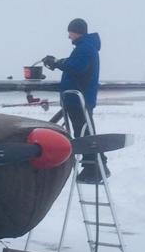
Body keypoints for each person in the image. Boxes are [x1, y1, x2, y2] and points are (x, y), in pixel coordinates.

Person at [43, 18, 105, 183]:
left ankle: (93, 170)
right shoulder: (86, 47)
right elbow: (76, 64)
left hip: (79, 99)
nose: (69, 36)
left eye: (70, 32)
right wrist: (59, 62)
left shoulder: (84, 48)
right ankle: (99, 167)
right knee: (86, 132)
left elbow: (77, 67)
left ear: (76, 31)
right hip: (81, 99)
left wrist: (57, 63)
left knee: (83, 134)